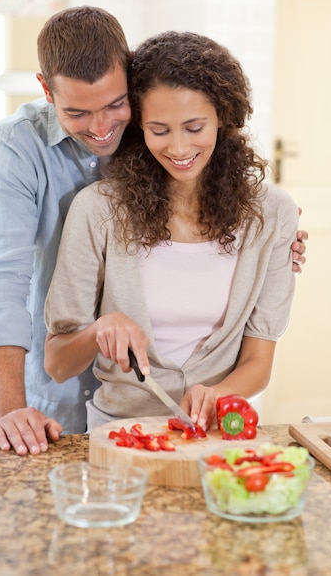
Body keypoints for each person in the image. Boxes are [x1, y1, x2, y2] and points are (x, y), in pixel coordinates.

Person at [0, 6, 307, 456]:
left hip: (207, 436)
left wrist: (274, 233)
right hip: (76, 406)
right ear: (46, 90)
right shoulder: (25, 153)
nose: (103, 128)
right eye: (78, 113)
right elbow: (2, 287)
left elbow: (257, 353)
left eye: (114, 106)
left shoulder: (163, 128)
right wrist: (11, 410)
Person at [44, 30, 300, 433]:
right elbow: (57, 364)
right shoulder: (99, 210)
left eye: (194, 127)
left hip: (221, 431)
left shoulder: (272, 214)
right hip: (120, 432)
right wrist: (98, 331)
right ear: (139, 126)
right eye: (159, 130)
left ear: (223, 117)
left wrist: (219, 393)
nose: (179, 149)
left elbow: (258, 364)